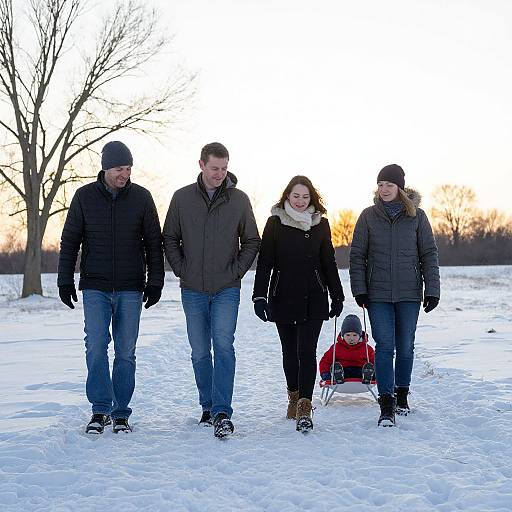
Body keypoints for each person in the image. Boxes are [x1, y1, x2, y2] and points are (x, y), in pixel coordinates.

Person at [57, 141, 164, 434]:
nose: (125, 174)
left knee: (126, 351)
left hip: (130, 287)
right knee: (95, 346)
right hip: (95, 287)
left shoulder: (142, 198)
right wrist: (64, 279)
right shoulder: (84, 197)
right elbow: (70, 241)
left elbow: (154, 243)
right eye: (119, 169)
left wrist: (155, 281)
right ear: (106, 167)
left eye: (128, 169)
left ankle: (121, 413)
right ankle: (100, 409)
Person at [162, 142, 260, 438]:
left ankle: (222, 411)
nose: (220, 173)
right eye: (215, 168)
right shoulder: (181, 198)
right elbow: (169, 238)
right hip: (192, 288)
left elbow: (253, 241)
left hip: (226, 289)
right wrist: (182, 269)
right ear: (201, 165)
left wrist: (235, 271)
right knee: (200, 351)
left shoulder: (239, 200)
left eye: (224, 168)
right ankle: (207, 405)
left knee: (224, 346)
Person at [349, 164, 440, 427]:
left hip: (410, 293)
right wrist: (360, 289)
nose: (384, 189)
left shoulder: (418, 217)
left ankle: (402, 395)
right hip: (377, 293)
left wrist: (432, 289)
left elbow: (429, 254)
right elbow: (357, 256)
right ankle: (386, 401)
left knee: (406, 346)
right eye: (380, 185)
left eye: (389, 185)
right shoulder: (368, 216)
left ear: (399, 187)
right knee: (385, 346)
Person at [252, 175, 344, 433]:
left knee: (307, 351)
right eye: (296, 196)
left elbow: (329, 262)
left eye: (305, 197)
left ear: (312, 198)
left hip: (314, 296)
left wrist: (337, 295)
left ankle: (305, 405)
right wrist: (260, 296)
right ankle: (293, 397)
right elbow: (265, 263)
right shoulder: (274, 223)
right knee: (289, 352)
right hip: (282, 296)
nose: (301, 201)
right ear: (287, 197)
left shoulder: (321, 224)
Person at [319, 314, 375, 384]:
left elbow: (375, 361)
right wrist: (325, 374)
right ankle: (337, 376)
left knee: (369, 369)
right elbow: (325, 361)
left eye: (355, 335)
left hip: (361, 372)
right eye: (348, 335)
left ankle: (368, 376)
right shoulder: (336, 348)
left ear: (360, 335)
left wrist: (377, 372)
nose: (351, 338)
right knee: (337, 370)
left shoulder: (367, 349)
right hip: (343, 372)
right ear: (343, 335)